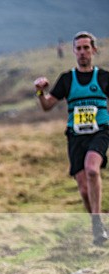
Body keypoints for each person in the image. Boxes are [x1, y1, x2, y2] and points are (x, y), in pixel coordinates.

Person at [35, 31, 109, 245]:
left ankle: (97, 223)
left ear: (94, 50)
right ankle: (97, 226)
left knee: (93, 170)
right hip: (76, 136)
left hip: (100, 132)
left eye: (87, 48)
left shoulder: (103, 77)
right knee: (84, 189)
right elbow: (48, 105)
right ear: (74, 52)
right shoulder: (67, 79)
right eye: (79, 48)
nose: (83, 52)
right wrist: (40, 92)